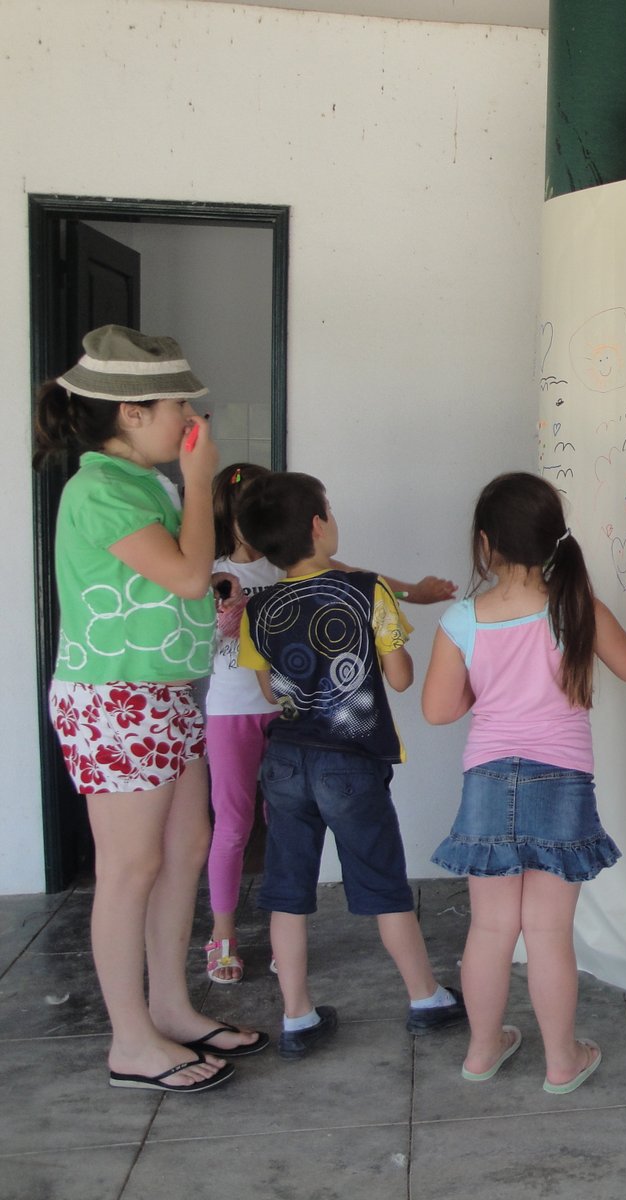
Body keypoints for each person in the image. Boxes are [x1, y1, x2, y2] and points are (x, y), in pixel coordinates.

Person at [35, 325, 263, 1093]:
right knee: (130, 867)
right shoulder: (100, 488)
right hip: (115, 697)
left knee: (186, 846)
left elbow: (181, 585)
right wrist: (202, 481)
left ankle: (169, 1007)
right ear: (132, 414)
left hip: (158, 692)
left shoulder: (140, 483)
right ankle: (131, 1041)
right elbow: (190, 576)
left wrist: (206, 605)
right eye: (179, 408)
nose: (191, 421)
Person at [422, 472, 626, 1087]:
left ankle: (481, 1052)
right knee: (549, 932)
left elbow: (439, 710)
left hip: (488, 780)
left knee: (490, 928)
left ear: (484, 543)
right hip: (562, 782)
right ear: (554, 540)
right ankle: (561, 1061)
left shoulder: (461, 619)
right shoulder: (577, 608)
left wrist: (486, 689)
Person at [236, 471, 467, 1060]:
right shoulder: (366, 591)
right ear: (319, 525)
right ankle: (425, 998)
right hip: (351, 764)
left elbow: (270, 693)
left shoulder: (256, 607)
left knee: (287, 890)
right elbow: (400, 678)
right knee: (382, 883)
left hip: (285, 762)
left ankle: (297, 1016)